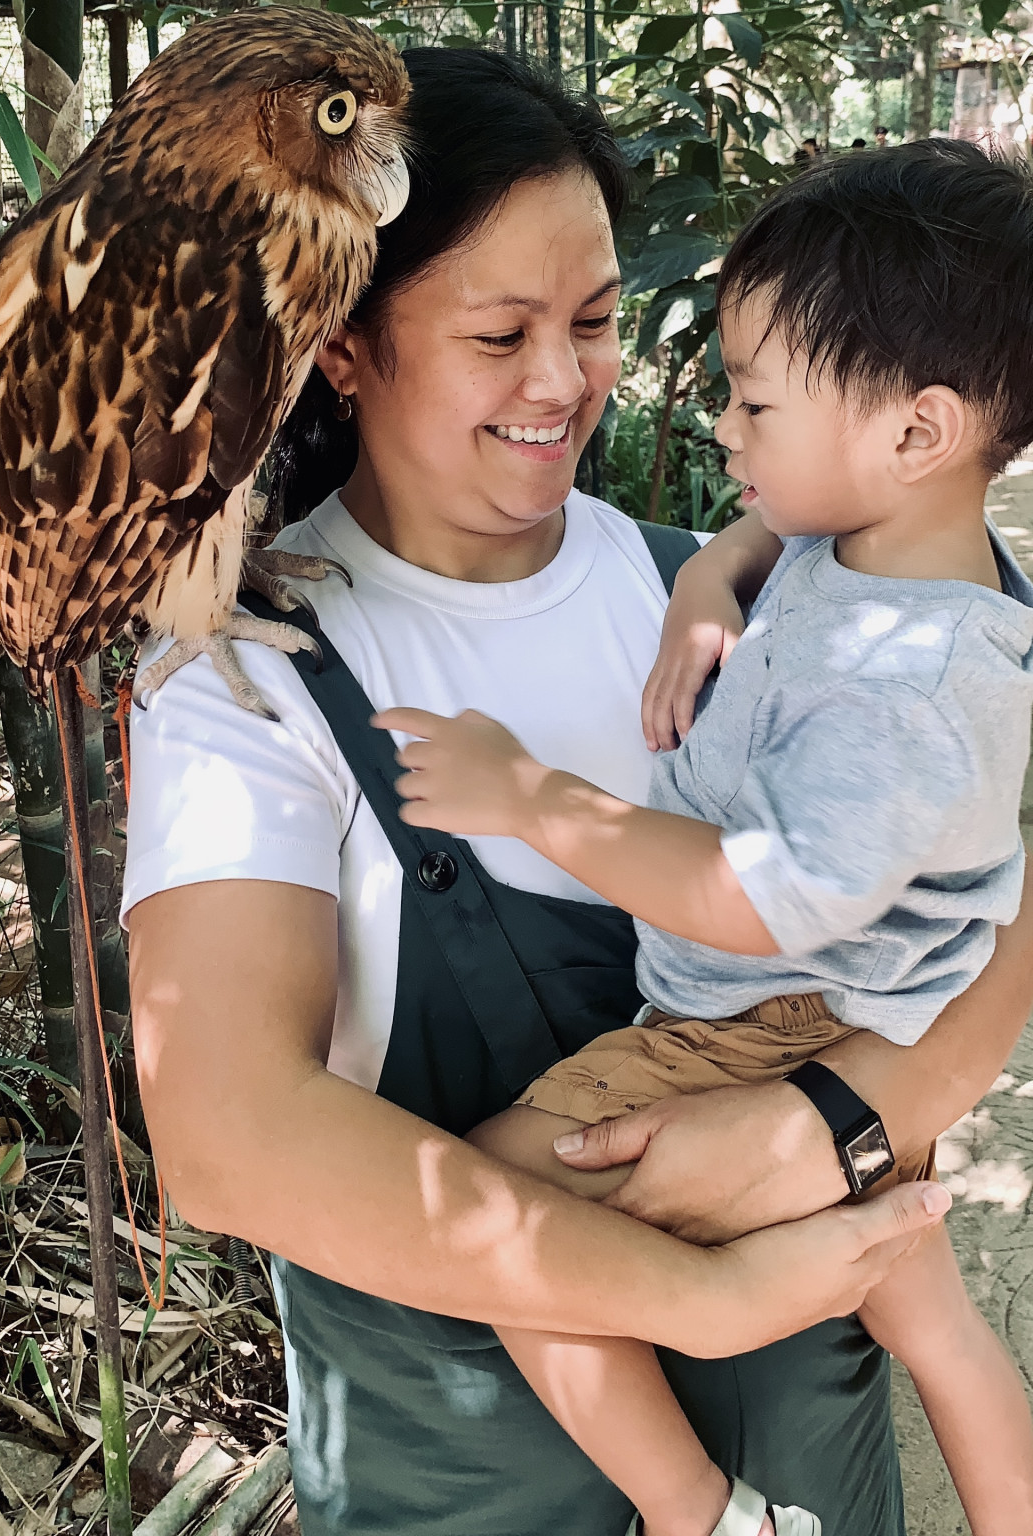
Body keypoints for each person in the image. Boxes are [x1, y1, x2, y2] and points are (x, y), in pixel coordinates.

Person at [124, 55, 1033, 1536]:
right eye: (501, 334)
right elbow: (227, 1140)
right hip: (469, 1485)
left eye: (596, 323)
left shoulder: (739, 601)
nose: (563, 381)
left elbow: (996, 897)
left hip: (806, 1444)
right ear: (343, 345)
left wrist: (834, 1124)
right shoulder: (249, 673)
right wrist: (702, 1289)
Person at [378, 141, 1033, 1536]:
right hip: (866, 1025)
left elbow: (756, 899)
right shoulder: (893, 546)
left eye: (754, 400)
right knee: (939, 1330)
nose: (725, 430)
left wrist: (533, 798)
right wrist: (703, 587)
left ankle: (695, 1512)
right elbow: (765, 538)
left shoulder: (908, 693)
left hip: (765, 1021)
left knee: (490, 1210)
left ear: (916, 431)